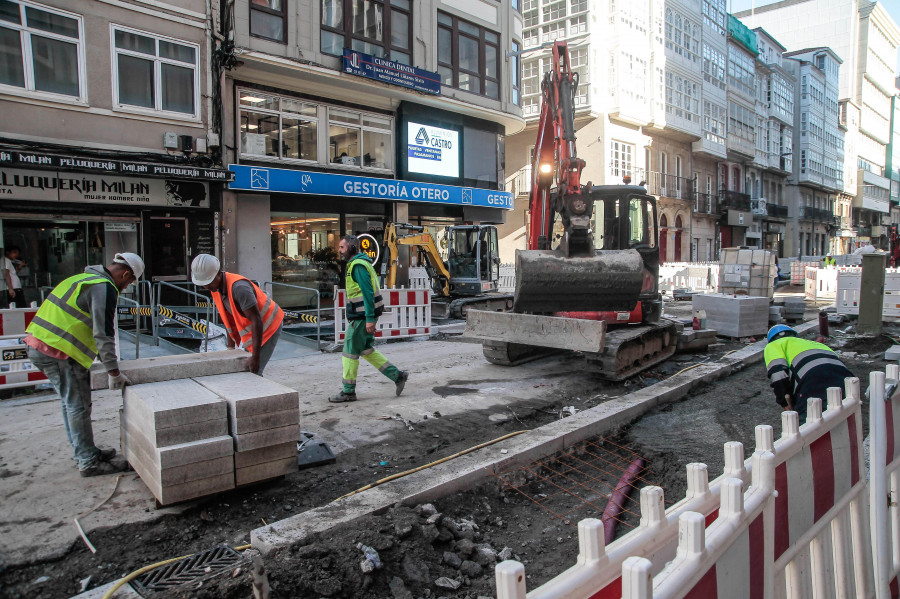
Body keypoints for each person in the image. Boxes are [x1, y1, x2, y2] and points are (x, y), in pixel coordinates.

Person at [24, 252, 144, 477]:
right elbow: (103, 333)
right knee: (78, 405)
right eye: (128, 283)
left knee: (71, 403)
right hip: (58, 351)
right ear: (125, 274)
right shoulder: (104, 287)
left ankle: (85, 451)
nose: (126, 287)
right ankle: (88, 461)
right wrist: (113, 371)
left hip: (40, 344)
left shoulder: (81, 278)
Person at [330, 235, 408, 403]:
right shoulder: (360, 264)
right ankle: (397, 375)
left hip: (361, 317)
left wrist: (370, 319)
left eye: (342, 247)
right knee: (366, 349)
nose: (339, 250)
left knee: (349, 351)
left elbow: (367, 292)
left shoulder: (358, 266)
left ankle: (348, 391)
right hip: (362, 316)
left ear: (351, 248)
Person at [190, 254, 283, 376]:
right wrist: (230, 350)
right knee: (245, 369)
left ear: (218, 273)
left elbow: (257, 320)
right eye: (204, 284)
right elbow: (229, 320)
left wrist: (255, 357)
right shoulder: (216, 288)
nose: (206, 286)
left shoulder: (239, 288)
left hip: (269, 325)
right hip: (255, 328)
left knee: (253, 372)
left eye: (209, 282)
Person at [764, 325, 855, 420]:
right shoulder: (817, 344)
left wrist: (784, 402)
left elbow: (778, 375)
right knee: (846, 417)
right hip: (846, 379)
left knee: (809, 426)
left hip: (813, 381)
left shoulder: (773, 345)